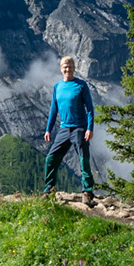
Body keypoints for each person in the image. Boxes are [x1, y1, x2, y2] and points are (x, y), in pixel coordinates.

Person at [42, 55, 96, 198]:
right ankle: (49, 190)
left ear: (74, 68)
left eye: (70, 67)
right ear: (61, 69)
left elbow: (90, 108)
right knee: (51, 159)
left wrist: (90, 128)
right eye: (65, 67)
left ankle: (87, 191)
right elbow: (54, 109)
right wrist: (48, 129)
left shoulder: (81, 85)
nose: (68, 69)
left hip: (80, 128)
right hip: (64, 129)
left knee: (83, 159)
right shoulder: (57, 87)